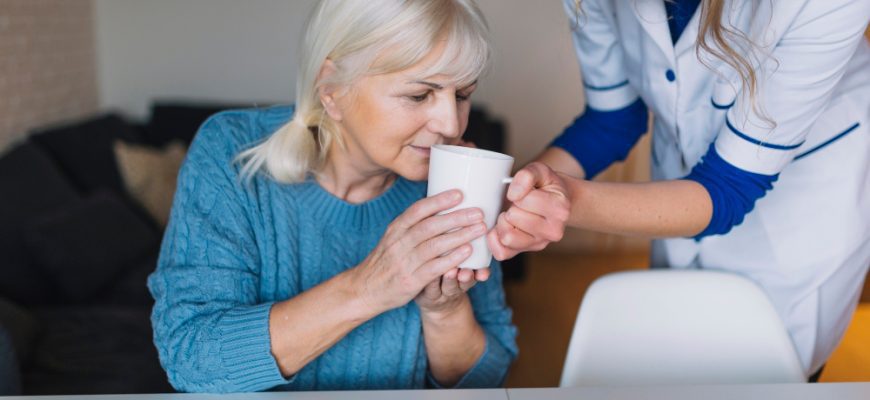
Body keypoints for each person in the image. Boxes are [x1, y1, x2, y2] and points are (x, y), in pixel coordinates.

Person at [489, 0, 870, 381]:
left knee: (768, 375)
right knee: (675, 360)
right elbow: (613, 119)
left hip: (799, 212)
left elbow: (727, 188)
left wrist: (565, 203)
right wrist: (510, 199)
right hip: (685, 187)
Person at [148, 0, 517, 392]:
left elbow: (489, 377)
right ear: (332, 90)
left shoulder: (454, 183)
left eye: (462, 95)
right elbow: (191, 360)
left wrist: (444, 310)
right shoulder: (231, 152)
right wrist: (367, 288)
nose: (451, 124)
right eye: (418, 95)